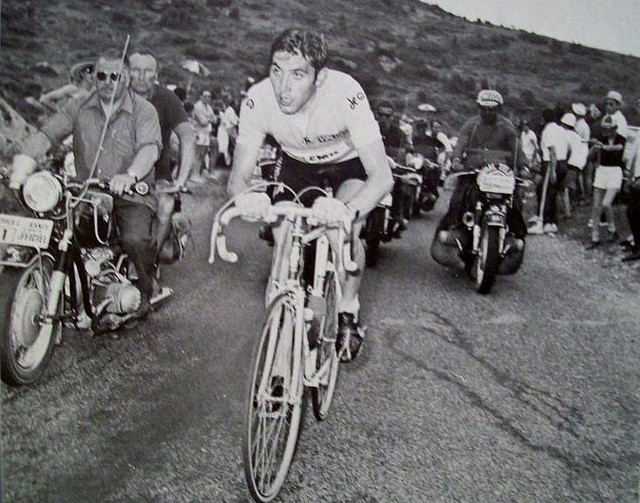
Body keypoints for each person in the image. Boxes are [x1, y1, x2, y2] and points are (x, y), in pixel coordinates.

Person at [227, 28, 393, 360]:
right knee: (284, 232)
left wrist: (348, 212)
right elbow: (238, 176)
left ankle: (347, 309)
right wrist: (248, 197)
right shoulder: (258, 99)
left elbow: (382, 176)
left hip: (349, 164)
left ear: (320, 77)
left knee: (344, 235)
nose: (283, 87)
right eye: (276, 70)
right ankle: (283, 318)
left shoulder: (346, 93)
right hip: (296, 164)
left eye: (298, 74)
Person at [10, 49, 163, 317]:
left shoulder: (144, 110)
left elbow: (150, 149)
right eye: (101, 75)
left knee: (135, 238)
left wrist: (130, 175)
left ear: (126, 78)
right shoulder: (78, 105)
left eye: (114, 76)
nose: (106, 81)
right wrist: (23, 164)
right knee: (53, 229)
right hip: (86, 192)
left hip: (132, 193)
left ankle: (147, 290)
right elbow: (48, 134)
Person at [435, 89, 527, 245]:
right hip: (473, 173)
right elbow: (460, 144)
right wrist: (456, 160)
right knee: (458, 198)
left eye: (492, 109)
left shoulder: (507, 127)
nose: (488, 112)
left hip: (499, 175)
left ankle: (515, 234)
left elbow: (517, 150)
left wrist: (524, 167)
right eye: (484, 108)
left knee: (515, 202)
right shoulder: (471, 125)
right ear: (479, 108)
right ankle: (455, 227)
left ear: (499, 109)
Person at [129, 49, 196, 257]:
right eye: (135, 70)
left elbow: (187, 136)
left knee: (165, 207)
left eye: (147, 71)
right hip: (118, 171)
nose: (141, 76)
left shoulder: (167, 98)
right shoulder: (116, 96)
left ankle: (151, 260)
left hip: (158, 175)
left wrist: (181, 179)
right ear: (126, 72)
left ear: (156, 75)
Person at [586, 115, 626, 249]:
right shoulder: (601, 139)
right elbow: (589, 157)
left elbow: (618, 148)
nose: (605, 131)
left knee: (606, 204)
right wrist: (594, 148)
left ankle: (612, 229)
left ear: (615, 128)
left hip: (615, 172)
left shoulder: (621, 139)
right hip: (602, 171)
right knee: (596, 206)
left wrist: (603, 147)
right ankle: (594, 238)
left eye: (608, 129)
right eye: (604, 129)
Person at [528, 108, 569, 235]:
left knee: (545, 193)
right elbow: (569, 148)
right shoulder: (561, 129)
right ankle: (551, 222)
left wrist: (552, 171)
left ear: (544, 119)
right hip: (562, 163)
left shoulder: (547, 131)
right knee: (550, 194)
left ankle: (542, 223)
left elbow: (552, 151)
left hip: (551, 164)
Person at [621, 97, 640, 261]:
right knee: (631, 211)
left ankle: (638, 247)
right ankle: (635, 241)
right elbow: (634, 156)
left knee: (635, 211)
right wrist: (629, 177)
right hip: (635, 176)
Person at [560, 113, 588, 218]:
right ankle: (569, 206)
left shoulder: (565, 134)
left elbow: (567, 149)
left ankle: (567, 211)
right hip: (579, 164)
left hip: (570, 163)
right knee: (571, 187)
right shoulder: (576, 136)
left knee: (565, 188)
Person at [192, 89, 217, 183]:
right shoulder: (197, 106)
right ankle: (194, 175)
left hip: (206, 133)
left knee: (203, 155)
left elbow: (215, 120)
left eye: (209, 96)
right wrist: (209, 119)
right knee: (198, 154)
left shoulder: (209, 107)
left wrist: (209, 119)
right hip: (199, 132)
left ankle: (198, 173)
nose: (207, 98)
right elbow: (203, 122)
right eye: (205, 96)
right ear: (201, 96)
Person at [571, 103, 591, 204]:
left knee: (579, 175)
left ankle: (582, 195)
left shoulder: (579, 126)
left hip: (579, 151)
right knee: (583, 175)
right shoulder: (585, 125)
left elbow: (576, 140)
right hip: (583, 150)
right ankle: (584, 195)